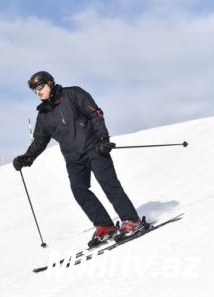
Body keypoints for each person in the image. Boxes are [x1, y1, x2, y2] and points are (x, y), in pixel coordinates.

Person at [13, 71, 141, 247]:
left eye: (40, 87)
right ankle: (105, 226)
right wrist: (27, 157)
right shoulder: (43, 114)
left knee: (108, 182)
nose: (38, 92)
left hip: (93, 148)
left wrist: (103, 139)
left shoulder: (73, 94)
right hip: (73, 157)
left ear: (50, 83)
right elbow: (40, 140)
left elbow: (95, 114)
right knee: (79, 190)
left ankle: (131, 220)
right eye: (34, 90)